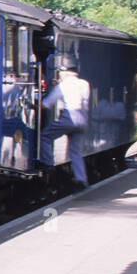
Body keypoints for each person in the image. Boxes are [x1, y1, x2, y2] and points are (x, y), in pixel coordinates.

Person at [40, 59, 91, 189]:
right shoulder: (84, 84)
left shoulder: (61, 86)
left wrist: (35, 106)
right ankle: (81, 179)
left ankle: (48, 164)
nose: (59, 75)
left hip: (69, 118)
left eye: (61, 73)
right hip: (82, 120)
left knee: (44, 137)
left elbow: (47, 104)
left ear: (66, 73)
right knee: (75, 151)